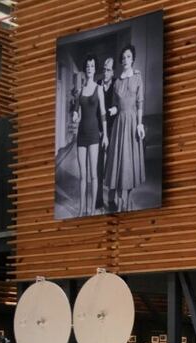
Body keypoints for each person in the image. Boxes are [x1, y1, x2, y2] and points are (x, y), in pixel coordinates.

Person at [106, 44, 147, 213]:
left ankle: (127, 199)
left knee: (130, 163)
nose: (125, 60)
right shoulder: (116, 82)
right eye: (123, 57)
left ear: (133, 59)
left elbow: (139, 103)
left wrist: (139, 124)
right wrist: (112, 110)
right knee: (118, 162)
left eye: (128, 56)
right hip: (119, 124)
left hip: (132, 124)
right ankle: (115, 198)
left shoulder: (138, 78)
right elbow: (116, 105)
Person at [71, 54, 108, 217]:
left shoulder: (99, 89)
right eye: (87, 66)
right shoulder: (79, 91)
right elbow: (76, 111)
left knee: (93, 174)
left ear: (95, 69)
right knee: (82, 176)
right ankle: (81, 209)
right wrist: (74, 114)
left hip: (94, 135)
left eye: (92, 66)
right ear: (85, 69)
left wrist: (105, 135)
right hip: (81, 135)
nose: (90, 69)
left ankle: (92, 210)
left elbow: (103, 114)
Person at [96, 56, 117, 212]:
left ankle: (111, 199)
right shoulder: (97, 85)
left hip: (113, 130)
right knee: (98, 166)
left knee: (112, 166)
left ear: (113, 71)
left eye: (108, 69)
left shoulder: (117, 84)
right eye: (104, 69)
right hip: (98, 130)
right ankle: (98, 198)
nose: (105, 72)